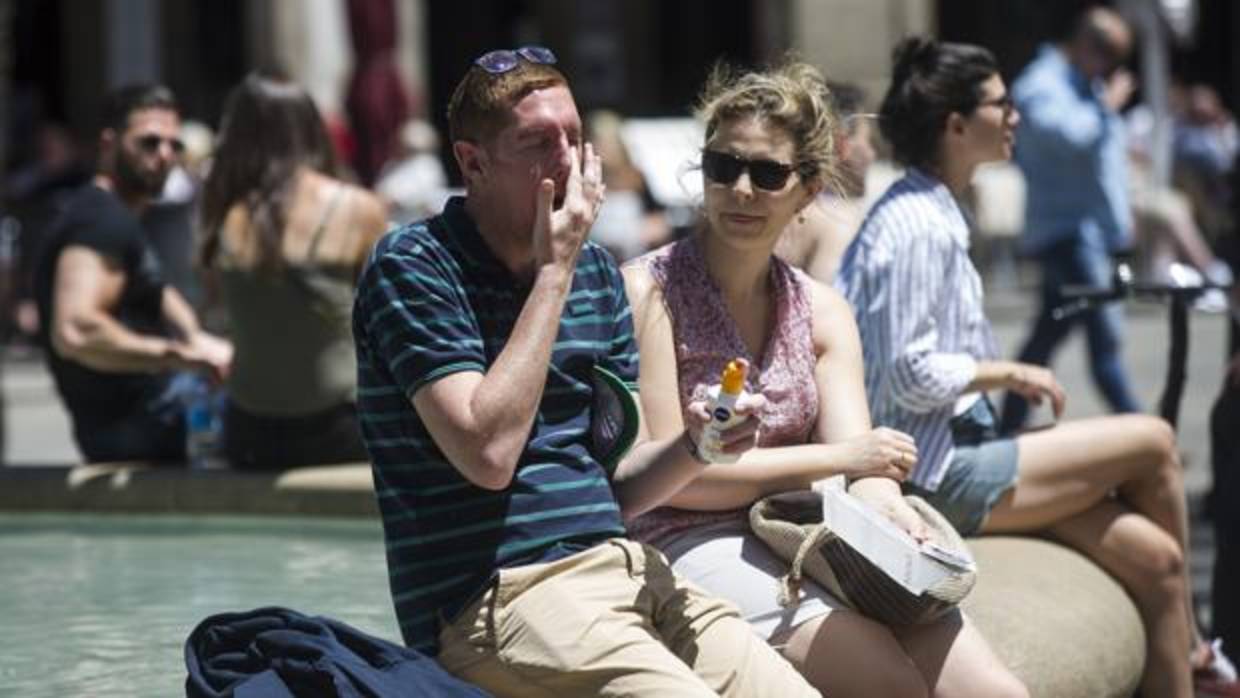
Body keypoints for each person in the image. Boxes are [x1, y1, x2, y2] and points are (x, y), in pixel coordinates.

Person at [351, 46, 820, 697]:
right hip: (495, 600)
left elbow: (615, 484)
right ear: (473, 162)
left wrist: (696, 445)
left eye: (574, 136)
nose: (569, 159)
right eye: (539, 143)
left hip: (624, 567)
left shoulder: (595, 275)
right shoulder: (414, 266)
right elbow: (487, 453)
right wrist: (552, 274)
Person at [835, 36, 1240, 698]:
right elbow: (907, 375)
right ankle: (1200, 652)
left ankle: (1188, 658)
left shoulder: (931, 209)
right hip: (937, 474)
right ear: (957, 124)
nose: (1017, 115)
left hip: (960, 453)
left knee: (1162, 562)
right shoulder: (916, 224)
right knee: (1155, 439)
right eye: (1003, 103)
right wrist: (1005, 373)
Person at [623, 60, 1027, 698]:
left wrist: (894, 514)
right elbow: (669, 484)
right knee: (890, 682)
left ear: (808, 189)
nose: (742, 190)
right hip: (690, 539)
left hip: (807, 527)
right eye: (723, 167)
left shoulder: (822, 310)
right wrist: (843, 458)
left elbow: (865, 471)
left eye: (768, 173)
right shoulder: (649, 291)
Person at [32, 84, 232, 463]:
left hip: (148, 415)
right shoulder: (99, 221)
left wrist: (202, 341)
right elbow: (75, 329)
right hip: (142, 424)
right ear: (109, 144)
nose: (164, 156)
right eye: (149, 143)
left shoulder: (116, 217)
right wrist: (180, 354)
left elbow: (158, 291)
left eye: (175, 146)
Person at [200, 74, 388, 470]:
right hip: (340, 422)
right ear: (311, 128)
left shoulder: (222, 212)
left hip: (248, 426)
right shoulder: (358, 208)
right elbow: (384, 316)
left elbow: (216, 306)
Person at [999, 7, 1142, 433]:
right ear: (1085, 42)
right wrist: (1108, 107)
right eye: (1110, 53)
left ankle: (1006, 426)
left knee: (1048, 334)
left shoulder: (1084, 85)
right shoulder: (1041, 84)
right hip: (1066, 235)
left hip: (1088, 232)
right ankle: (1149, 434)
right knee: (1106, 340)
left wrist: (1120, 220)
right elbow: (1070, 139)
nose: (1114, 66)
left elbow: (1106, 162)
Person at [775, 81, 876, 283]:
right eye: (868, 140)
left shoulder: (770, 206)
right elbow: (834, 304)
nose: (872, 154)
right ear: (842, 146)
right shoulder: (837, 221)